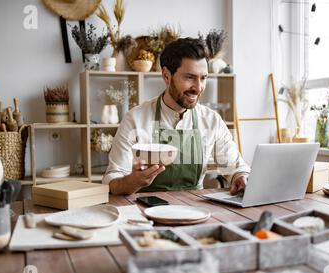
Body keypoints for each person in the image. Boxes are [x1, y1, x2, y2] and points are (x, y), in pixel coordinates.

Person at [103, 37, 250, 195]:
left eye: (203, 78)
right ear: (166, 76)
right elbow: (112, 179)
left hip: (196, 209)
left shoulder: (211, 120)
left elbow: (235, 166)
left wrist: (240, 177)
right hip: (147, 211)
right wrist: (132, 182)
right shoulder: (135, 119)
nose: (198, 88)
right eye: (189, 77)